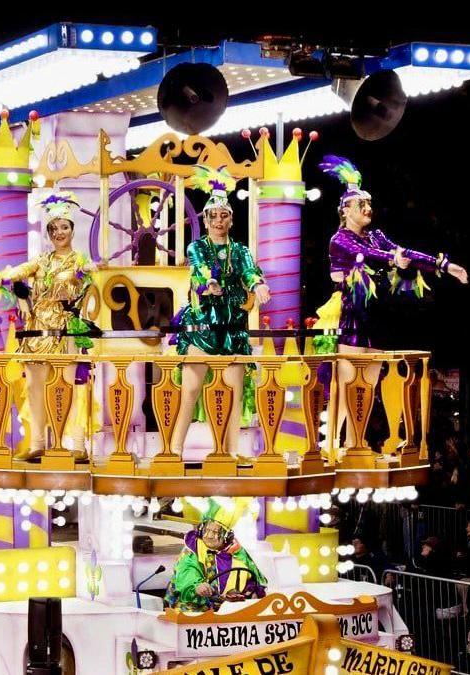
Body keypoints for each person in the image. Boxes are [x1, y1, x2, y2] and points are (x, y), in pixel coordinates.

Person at [316, 156, 467, 449]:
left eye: (369, 205)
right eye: (362, 205)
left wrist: (444, 265)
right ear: (346, 210)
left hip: (375, 316)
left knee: (368, 387)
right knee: (347, 384)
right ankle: (332, 443)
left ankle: (354, 444)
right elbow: (368, 254)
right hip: (350, 316)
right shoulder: (339, 239)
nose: (368, 209)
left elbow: (404, 251)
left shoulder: (377, 235)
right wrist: (392, 259)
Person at [0, 191, 97, 462]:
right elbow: (17, 272)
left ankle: (77, 444)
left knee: (71, 385)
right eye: (53, 228)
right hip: (37, 330)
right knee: (34, 387)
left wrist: (85, 276)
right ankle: (38, 443)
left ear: (72, 230)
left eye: (64, 227)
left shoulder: (80, 261)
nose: (59, 233)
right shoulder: (41, 261)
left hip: (66, 331)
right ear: (48, 232)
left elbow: (82, 288)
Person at [169, 167, 270, 459]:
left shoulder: (240, 251)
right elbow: (199, 269)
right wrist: (208, 282)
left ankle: (228, 451)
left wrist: (258, 284)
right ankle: (174, 448)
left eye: (223, 215)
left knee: (234, 390)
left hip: (231, 326)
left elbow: (250, 272)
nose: (217, 221)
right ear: (206, 218)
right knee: (190, 389)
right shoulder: (197, 246)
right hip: (202, 325)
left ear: (231, 219)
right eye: (212, 216)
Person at [165, 515, 266, 613]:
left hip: (229, 610)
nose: (208, 536)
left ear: (227, 536)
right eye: (206, 530)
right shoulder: (192, 552)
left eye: (215, 532)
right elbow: (187, 574)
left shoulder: (238, 553)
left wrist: (250, 590)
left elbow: (251, 578)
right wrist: (197, 587)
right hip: (195, 609)